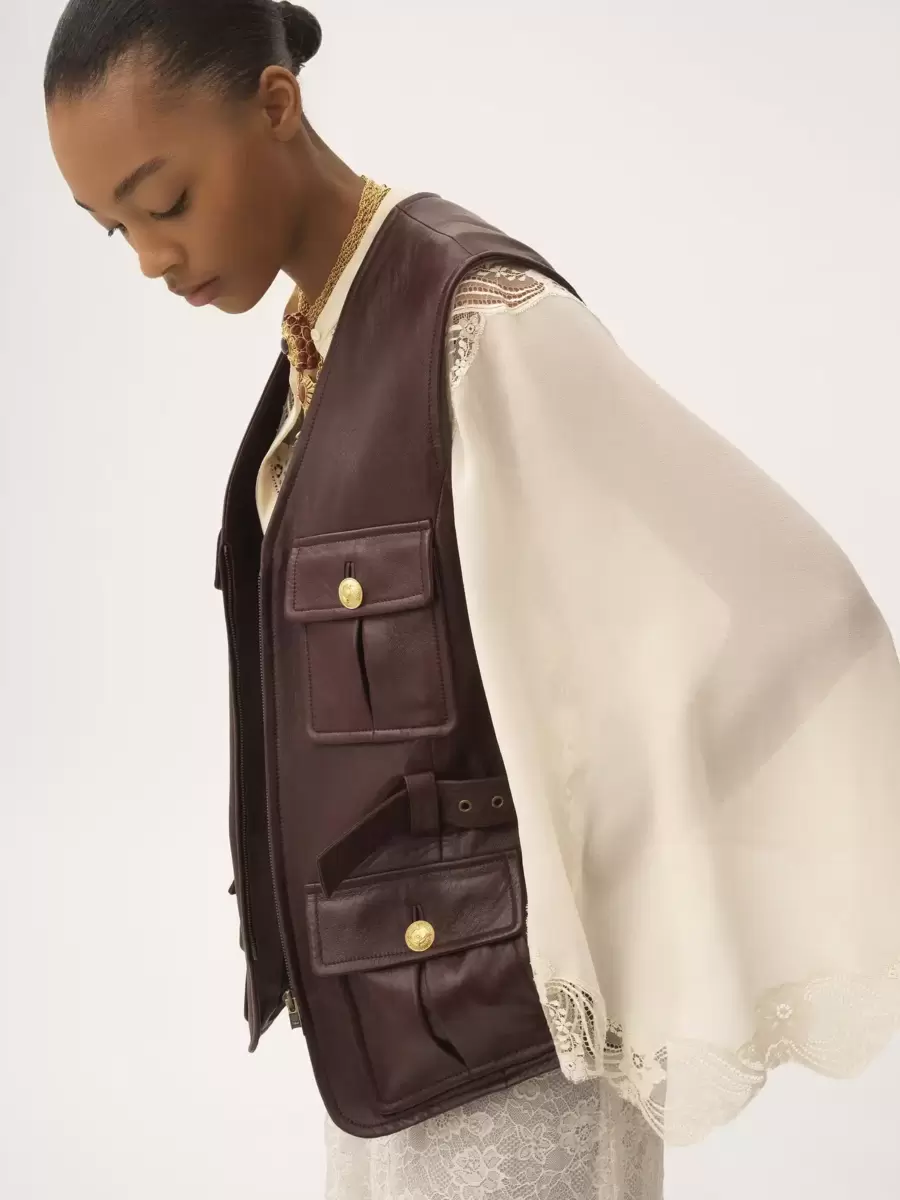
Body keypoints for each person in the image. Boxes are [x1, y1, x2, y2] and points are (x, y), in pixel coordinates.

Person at [44, 2, 900, 1198]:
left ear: (275, 105)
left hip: (509, 1056)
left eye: (166, 200)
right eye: (114, 228)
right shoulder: (327, 343)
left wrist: (616, 867)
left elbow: (783, 606)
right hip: (386, 1040)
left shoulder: (477, 324)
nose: (151, 256)